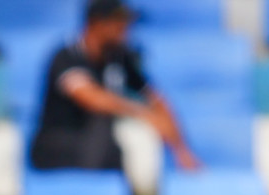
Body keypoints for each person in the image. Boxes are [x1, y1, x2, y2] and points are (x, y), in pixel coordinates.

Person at [29, 0, 200, 171]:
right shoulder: (67, 55)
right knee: (115, 127)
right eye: (119, 22)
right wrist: (145, 113)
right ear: (97, 23)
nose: (126, 29)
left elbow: (156, 99)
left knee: (139, 135)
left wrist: (180, 148)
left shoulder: (120, 57)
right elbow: (91, 98)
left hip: (101, 147)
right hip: (60, 145)